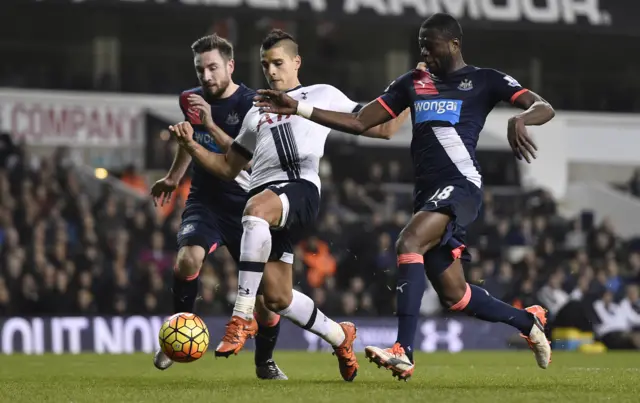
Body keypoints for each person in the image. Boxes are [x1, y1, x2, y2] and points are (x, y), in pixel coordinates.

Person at [254, 13, 556, 380]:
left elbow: (543, 105)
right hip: (427, 195)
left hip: (461, 185)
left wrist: (520, 119)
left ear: (455, 44)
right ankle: (529, 321)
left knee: (408, 241)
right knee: (455, 295)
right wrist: (299, 107)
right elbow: (361, 122)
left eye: (430, 45)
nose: (424, 52)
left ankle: (404, 351)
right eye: (420, 46)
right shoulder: (412, 83)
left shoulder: (484, 80)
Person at [168, 29, 409, 382]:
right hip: (267, 206)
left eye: (278, 63)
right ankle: (341, 337)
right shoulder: (256, 113)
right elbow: (226, 167)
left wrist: (406, 97)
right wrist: (191, 145)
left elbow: (383, 129)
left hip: (299, 190)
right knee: (278, 298)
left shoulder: (321, 94)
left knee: (253, 211)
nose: (272, 71)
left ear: (297, 62)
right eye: (266, 65)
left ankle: (241, 317)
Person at [150, 34, 287, 380]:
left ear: (230, 66)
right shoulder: (190, 99)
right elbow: (189, 142)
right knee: (187, 259)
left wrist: (210, 122)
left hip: (249, 207)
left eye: (212, 68)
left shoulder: (252, 104)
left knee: (268, 303)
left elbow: (247, 159)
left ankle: (265, 362)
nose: (206, 77)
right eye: (200, 70)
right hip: (206, 201)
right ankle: (175, 337)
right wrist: (173, 177)